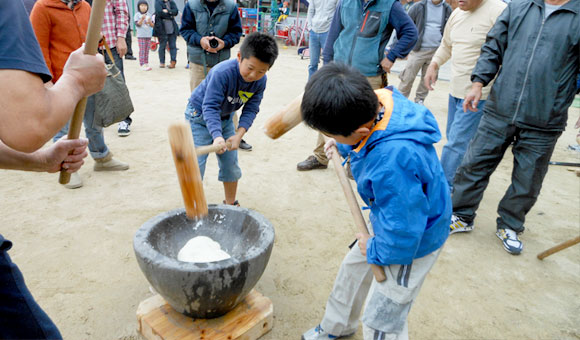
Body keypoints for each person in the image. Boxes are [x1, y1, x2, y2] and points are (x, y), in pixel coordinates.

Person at [300, 63, 450, 340]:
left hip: (412, 240)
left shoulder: (392, 162)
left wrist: (377, 248)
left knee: (382, 318)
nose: (330, 140)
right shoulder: (380, 100)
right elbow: (364, 136)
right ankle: (338, 326)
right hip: (391, 218)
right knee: (353, 270)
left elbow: (404, 231)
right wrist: (342, 143)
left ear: (357, 130)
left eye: (332, 134)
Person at [0, 0, 105, 337]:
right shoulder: (33, 7)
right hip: (52, 85)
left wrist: (41, 161)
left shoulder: (86, 8)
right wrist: (73, 82)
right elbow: (29, 123)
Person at [449, 0, 580, 254]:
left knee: (528, 178)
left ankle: (510, 223)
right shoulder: (519, 7)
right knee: (474, 163)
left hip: (546, 116)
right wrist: (478, 82)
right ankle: (461, 214)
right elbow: (493, 46)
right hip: (501, 106)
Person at [297, 0, 418, 171]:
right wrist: (327, 67)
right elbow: (333, 34)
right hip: (341, 70)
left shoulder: (390, 5)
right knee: (328, 112)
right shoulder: (345, 2)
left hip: (369, 74)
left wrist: (392, 56)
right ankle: (321, 157)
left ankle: (355, 163)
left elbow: (411, 33)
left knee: (365, 122)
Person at [31, 0, 130, 189]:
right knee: (63, 127)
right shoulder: (43, 7)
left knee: (94, 120)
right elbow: (38, 47)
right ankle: (67, 168)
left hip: (87, 76)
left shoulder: (85, 6)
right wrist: (47, 79)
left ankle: (101, 157)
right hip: (61, 80)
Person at [184, 32, 278, 206]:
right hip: (199, 116)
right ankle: (193, 206)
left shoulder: (260, 81)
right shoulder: (223, 72)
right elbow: (210, 107)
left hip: (226, 118)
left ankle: (230, 203)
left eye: (261, 71)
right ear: (239, 57)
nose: (253, 75)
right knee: (195, 165)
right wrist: (217, 137)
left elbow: (251, 109)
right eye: (250, 68)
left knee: (230, 164)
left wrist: (238, 134)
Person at [423, 0, 506, 190]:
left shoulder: (498, 11)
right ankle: (459, 181)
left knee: (456, 143)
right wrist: (434, 64)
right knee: (455, 137)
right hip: (456, 90)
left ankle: (442, 188)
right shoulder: (457, 13)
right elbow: (447, 45)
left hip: (480, 93)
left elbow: (508, 51)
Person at [180, 0, 252, 150]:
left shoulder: (231, 6)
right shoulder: (191, 5)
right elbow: (185, 30)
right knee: (199, 101)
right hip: (199, 61)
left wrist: (224, 43)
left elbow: (236, 33)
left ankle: (234, 135)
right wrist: (200, 40)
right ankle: (201, 137)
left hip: (223, 63)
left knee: (229, 101)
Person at [397, 0, 452, 105]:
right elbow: (404, 26)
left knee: (427, 79)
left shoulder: (447, 9)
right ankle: (400, 100)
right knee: (408, 77)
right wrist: (401, 47)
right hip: (418, 50)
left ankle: (420, 100)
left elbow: (450, 28)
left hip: (436, 51)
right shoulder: (418, 6)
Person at [153, 0, 179, 69]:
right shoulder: (158, 2)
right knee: (162, 46)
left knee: (173, 46)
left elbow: (176, 11)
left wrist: (167, 11)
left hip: (172, 28)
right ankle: (162, 62)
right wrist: (171, 14)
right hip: (161, 28)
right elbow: (159, 13)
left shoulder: (172, 2)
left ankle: (173, 62)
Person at [134, 0, 154, 71]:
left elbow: (152, 25)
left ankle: (146, 62)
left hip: (148, 35)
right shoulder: (137, 15)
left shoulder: (149, 14)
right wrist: (142, 19)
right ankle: (142, 64)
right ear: (139, 7)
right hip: (141, 35)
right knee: (142, 50)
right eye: (142, 5)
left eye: (145, 6)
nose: (143, 7)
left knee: (147, 50)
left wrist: (149, 22)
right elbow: (138, 24)